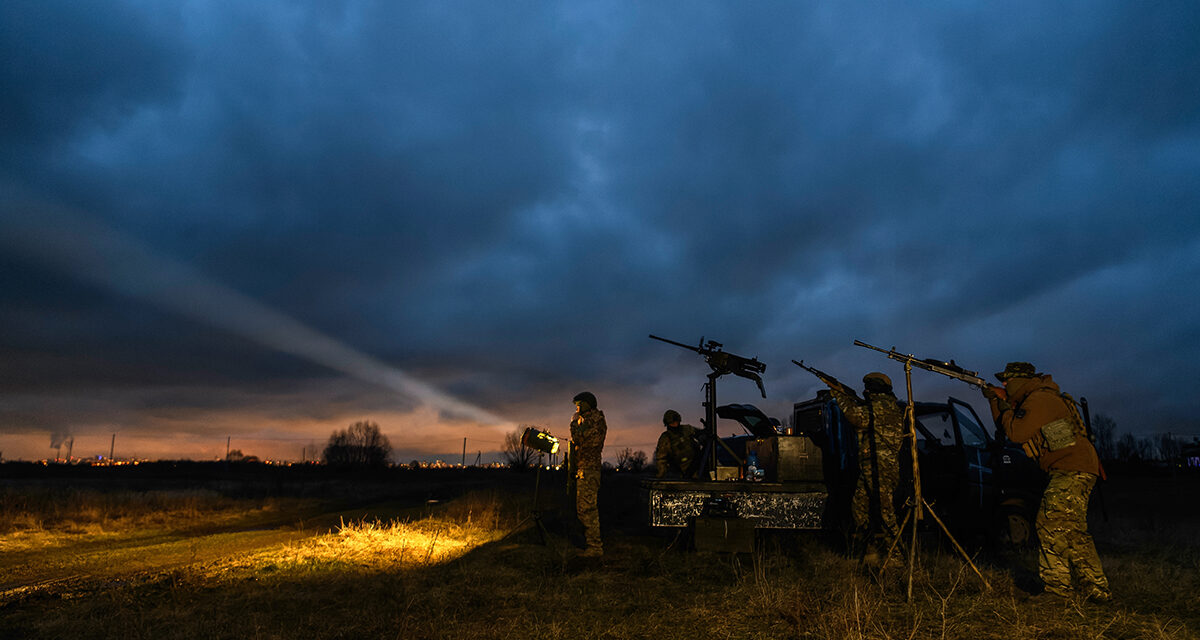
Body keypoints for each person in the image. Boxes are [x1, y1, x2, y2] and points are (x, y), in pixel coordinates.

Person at [983, 362, 1110, 602]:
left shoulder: (1040, 399)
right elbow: (1007, 427)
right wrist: (995, 401)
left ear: (1021, 380)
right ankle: (1096, 588)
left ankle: (1058, 590)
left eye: (1007, 381)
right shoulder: (1037, 398)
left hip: (1072, 467)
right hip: (1073, 467)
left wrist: (1001, 404)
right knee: (1072, 530)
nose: (1004, 385)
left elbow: (1016, 433)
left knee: (1048, 522)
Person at [824, 372, 905, 555]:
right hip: (873, 468)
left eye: (868, 387)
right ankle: (866, 551)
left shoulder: (880, 407)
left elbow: (855, 417)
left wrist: (839, 394)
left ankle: (896, 557)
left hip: (880, 469)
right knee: (859, 507)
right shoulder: (889, 406)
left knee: (886, 514)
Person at [569, 391, 608, 557]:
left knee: (588, 509)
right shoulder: (585, 420)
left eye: (579, 404)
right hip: (583, 468)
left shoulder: (596, 420)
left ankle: (595, 547)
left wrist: (574, 426)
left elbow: (584, 440)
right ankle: (589, 545)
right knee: (582, 509)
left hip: (590, 470)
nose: (577, 407)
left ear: (586, 404)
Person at [654, 409, 700, 479]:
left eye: (676, 422)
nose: (675, 424)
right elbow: (661, 459)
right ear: (667, 424)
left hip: (698, 466)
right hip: (681, 473)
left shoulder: (687, 429)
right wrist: (661, 476)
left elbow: (701, 435)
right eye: (672, 423)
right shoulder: (665, 438)